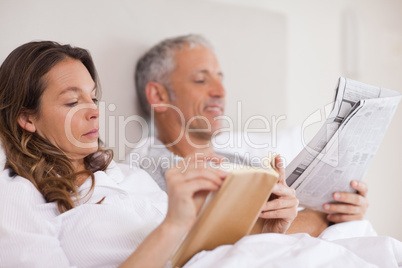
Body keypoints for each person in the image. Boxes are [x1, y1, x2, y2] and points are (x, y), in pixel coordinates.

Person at [0, 40, 298, 267]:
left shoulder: (130, 176)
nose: (94, 111)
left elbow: (193, 256)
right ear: (27, 118)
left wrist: (267, 231)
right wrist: (173, 224)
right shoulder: (19, 194)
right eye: (71, 102)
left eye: (93, 97)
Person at [129, 34, 369, 237]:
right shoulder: (151, 174)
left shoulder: (244, 162)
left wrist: (343, 213)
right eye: (201, 80)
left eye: (220, 79)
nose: (220, 92)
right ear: (159, 96)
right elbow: (212, 239)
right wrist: (322, 219)